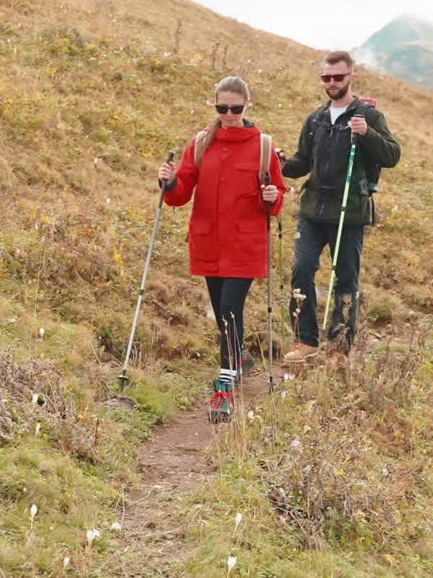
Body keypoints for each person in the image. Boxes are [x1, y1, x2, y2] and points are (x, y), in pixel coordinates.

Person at [157, 76, 287, 419]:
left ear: (247, 106)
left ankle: (225, 384)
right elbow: (182, 192)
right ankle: (240, 355)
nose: (228, 114)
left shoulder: (263, 146)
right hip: (209, 241)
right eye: (222, 107)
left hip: (245, 245)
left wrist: (273, 197)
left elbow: (277, 196)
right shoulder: (201, 143)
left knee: (229, 310)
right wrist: (169, 181)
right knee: (222, 313)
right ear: (215, 105)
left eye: (235, 108)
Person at [280, 51, 401, 362]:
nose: (332, 83)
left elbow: (392, 155)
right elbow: (303, 162)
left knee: (345, 277)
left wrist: (367, 134)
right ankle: (305, 340)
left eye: (338, 77)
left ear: (351, 77)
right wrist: (280, 165)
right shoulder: (315, 119)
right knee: (301, 269)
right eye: (327, 77)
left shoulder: (369, 117)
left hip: (350, 210)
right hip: (312, 210)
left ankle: (340, 346)